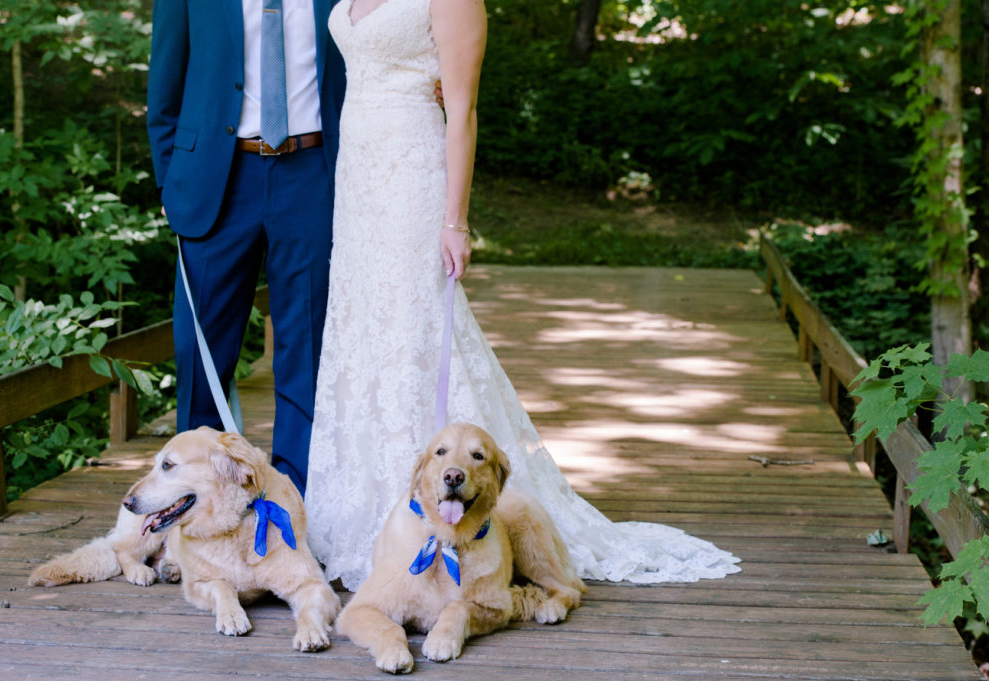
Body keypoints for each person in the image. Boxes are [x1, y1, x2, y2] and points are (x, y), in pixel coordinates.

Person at [304, 0, 741, 591]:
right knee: (361, 333)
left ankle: (454, 509)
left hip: (412, 176)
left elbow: (461, 110)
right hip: (357, 178)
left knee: (416, 330)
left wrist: (454, 220)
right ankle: (363, 512)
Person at [146, 0, 346, 495]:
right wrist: (169, 182)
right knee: (201, 349)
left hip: (313, 171)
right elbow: (164, 85)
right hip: (217, 176)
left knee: (306, 343)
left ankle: (294, 499)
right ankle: (198, 497)